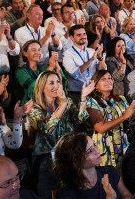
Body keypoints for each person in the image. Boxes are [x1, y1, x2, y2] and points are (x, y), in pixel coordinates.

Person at [27, 70, 95, 199]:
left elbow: (80, 119)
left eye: (58, 82)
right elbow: (48, 129)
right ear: (42, 87)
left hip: (67, 156)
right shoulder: (34, 108)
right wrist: (62, 106)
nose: (56, 86)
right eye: (51, 83)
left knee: (68, 194)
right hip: (45, 160)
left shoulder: (66, 101)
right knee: (47, 195)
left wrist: (83, 98)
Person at [52, 132, 135, 199]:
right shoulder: (66, 195)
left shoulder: (110, 171)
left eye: (95, 145)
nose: (97, 151)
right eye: (90, 151)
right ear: (75, 161)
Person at [86, 70, 135, 168]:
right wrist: (124, 116)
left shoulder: (121, 99)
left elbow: (130, 117)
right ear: (96, 86)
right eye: (103, 79)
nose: (108, 80)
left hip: (123, 144)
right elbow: (100, 128)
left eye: (110, 78)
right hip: (105, 147)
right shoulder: (91, 102)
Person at [63, 25, 107, 102]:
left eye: (84, 34)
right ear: (71, 38)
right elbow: (74, 74)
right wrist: (91, 60)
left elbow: (103, 71)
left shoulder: (91, 51)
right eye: (79, 35)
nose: (83, 36)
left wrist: (100, 58)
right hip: (76, 94)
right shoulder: (67, 54)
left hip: (94, 92)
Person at [16, 40, 68, 104]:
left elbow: (61, 83)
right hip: (31, 105)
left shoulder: (45, 67)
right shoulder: (21, 71)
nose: (37, 52)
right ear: (25, 53)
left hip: (50, 103)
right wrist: (51, 67)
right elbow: (33, 88)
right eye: (34, 50)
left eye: (39, 50)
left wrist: (56, 64)